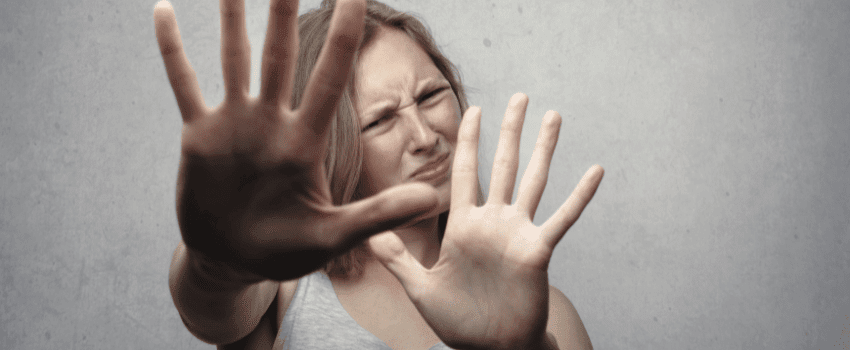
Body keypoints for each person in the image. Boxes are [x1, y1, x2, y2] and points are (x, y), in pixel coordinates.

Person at [153, 0, 604, 348]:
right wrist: (218, 266)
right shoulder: (286, 286)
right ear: (327, 148)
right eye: (381, 120)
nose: (425, 135)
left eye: (430, 95)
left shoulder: (547, 315)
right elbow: (211, 310)